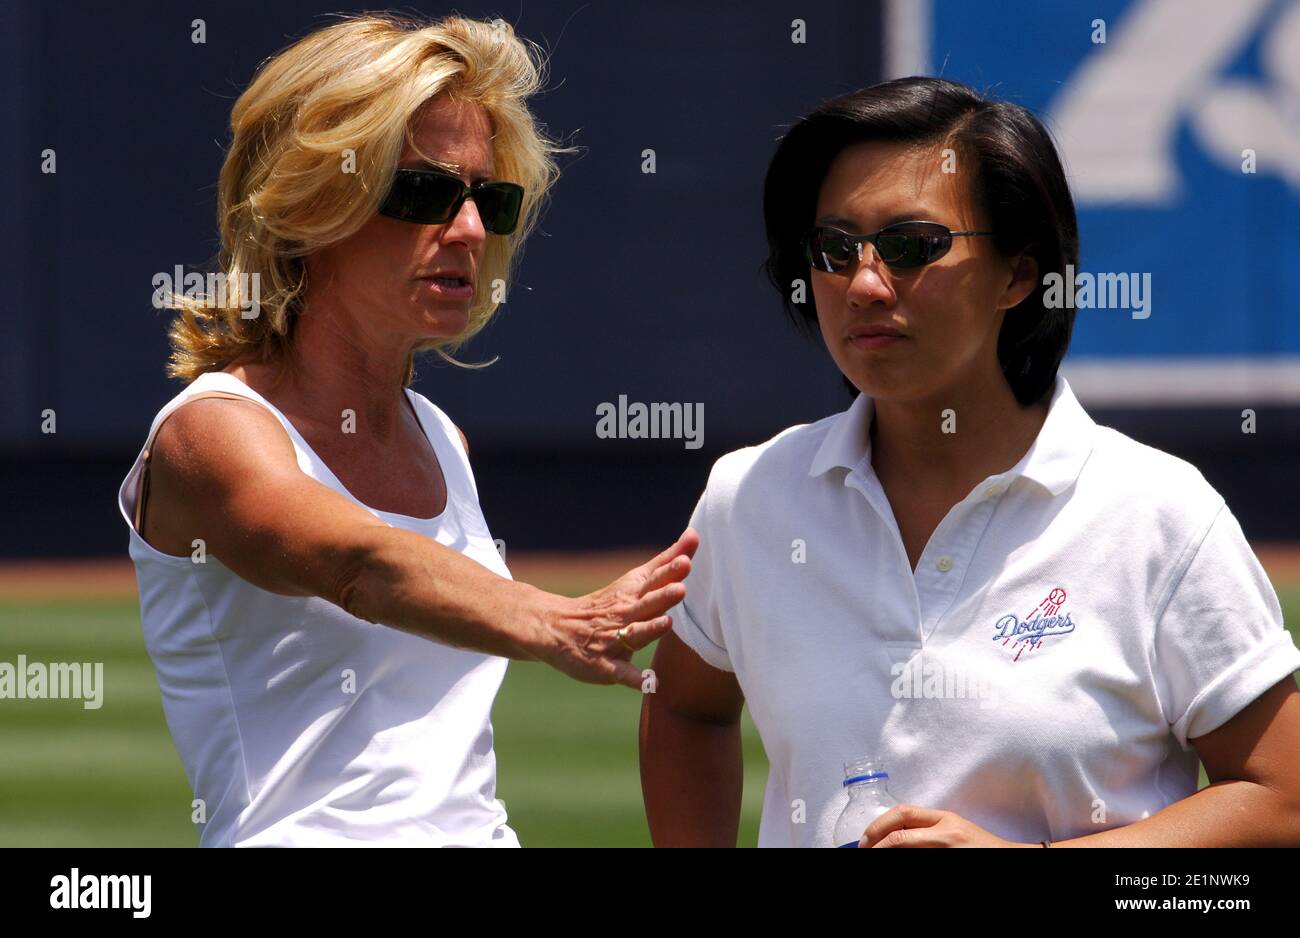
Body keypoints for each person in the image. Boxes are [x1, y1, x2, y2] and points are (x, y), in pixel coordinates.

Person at [640, 77, 1300, 848]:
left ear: (1020, 275)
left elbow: (1281, 799)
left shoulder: (1157, 514)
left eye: (911, 247)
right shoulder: (750, 495)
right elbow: (685, 706)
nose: (863, 284)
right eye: (834, 248)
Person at [117, 13, 697, 847]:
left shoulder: (441, 438)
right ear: (309, 204)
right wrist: (552, 619)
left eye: (488, 199)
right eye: (423, 192)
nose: (466, 229)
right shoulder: (210, 431)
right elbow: (362, 566)